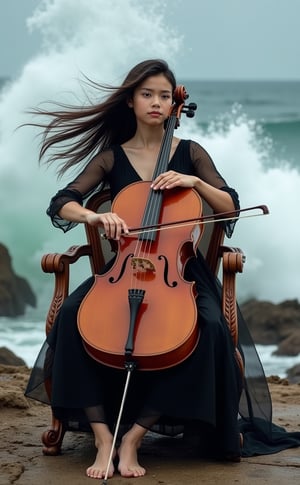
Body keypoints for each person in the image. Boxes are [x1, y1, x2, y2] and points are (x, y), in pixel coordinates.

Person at [25, 59, 300, 480]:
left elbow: (229, 207)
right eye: (147, 94)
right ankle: (103, 436)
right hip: (122, 269)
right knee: (70, 320)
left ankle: (134, 436)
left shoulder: (190, 153)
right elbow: (62, 201)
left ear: (175, 103)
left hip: (181, 275)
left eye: (164, 95)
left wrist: (195, 184)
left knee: (206, 329)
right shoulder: (112, 158)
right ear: (132, 100)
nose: (157, 102)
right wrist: (94, 218)